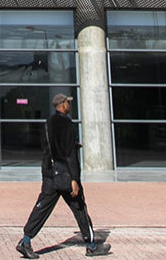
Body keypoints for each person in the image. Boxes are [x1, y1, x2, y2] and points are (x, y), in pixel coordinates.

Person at [17, 93, 108, 257]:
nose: (69, 105)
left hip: (50, 173)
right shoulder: (66, 124)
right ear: (62, 105)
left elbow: (46, 146)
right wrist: (74, 178)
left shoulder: (48, 123)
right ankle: (91, 245)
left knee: (42, 208)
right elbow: (68, 154)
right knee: (79, 207)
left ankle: (26, 240)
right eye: (67, 102)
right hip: (65, 174)